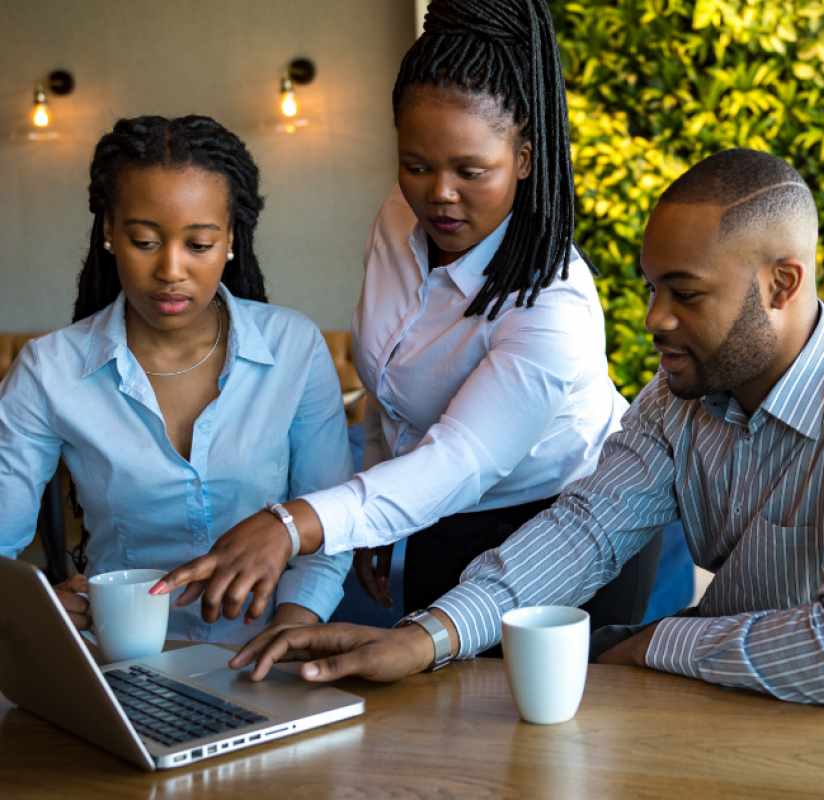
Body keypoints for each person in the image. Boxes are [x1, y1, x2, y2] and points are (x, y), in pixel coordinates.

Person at [224, 149, 824, 711]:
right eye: (650, 288)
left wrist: (652, 642)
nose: (654, 320)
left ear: (783, 284)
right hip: (712, 714)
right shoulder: (677, 403)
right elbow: (581, 533)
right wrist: (422, 639)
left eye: (685, 294)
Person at [153, 0, 661, 639]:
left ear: (526, 158)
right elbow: (388, 392)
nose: (439, 194)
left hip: (568, 521)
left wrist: (295, 523)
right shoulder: (401, 216)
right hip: (437, 511)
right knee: (439, 722)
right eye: (417, 165)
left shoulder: (551, 302)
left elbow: (459, 461)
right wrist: (370, 509)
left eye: (471, 171)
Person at [0, 115, 353, 644]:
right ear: (109, 234)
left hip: (265, 656)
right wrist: (38, 605)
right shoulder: (49, 371)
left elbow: (327, 523)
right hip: (117, 661)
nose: (170, 269)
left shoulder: (294, 348)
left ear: (231, 239)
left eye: (199, 244)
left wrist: (287, 636)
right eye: (144, 241)